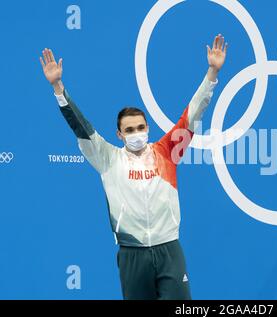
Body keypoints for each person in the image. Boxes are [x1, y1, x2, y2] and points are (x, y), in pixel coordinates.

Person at [39, 34, 228, 300]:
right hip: (132, 253)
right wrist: (59, 87)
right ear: (119, 134)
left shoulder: (167, 152)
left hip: (169, 249)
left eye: (140, 127)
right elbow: (81, 126)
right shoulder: (107, 158)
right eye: (129, 129)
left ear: (148, 128)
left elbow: (193, 114)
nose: (136, 132)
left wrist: (212, 73)